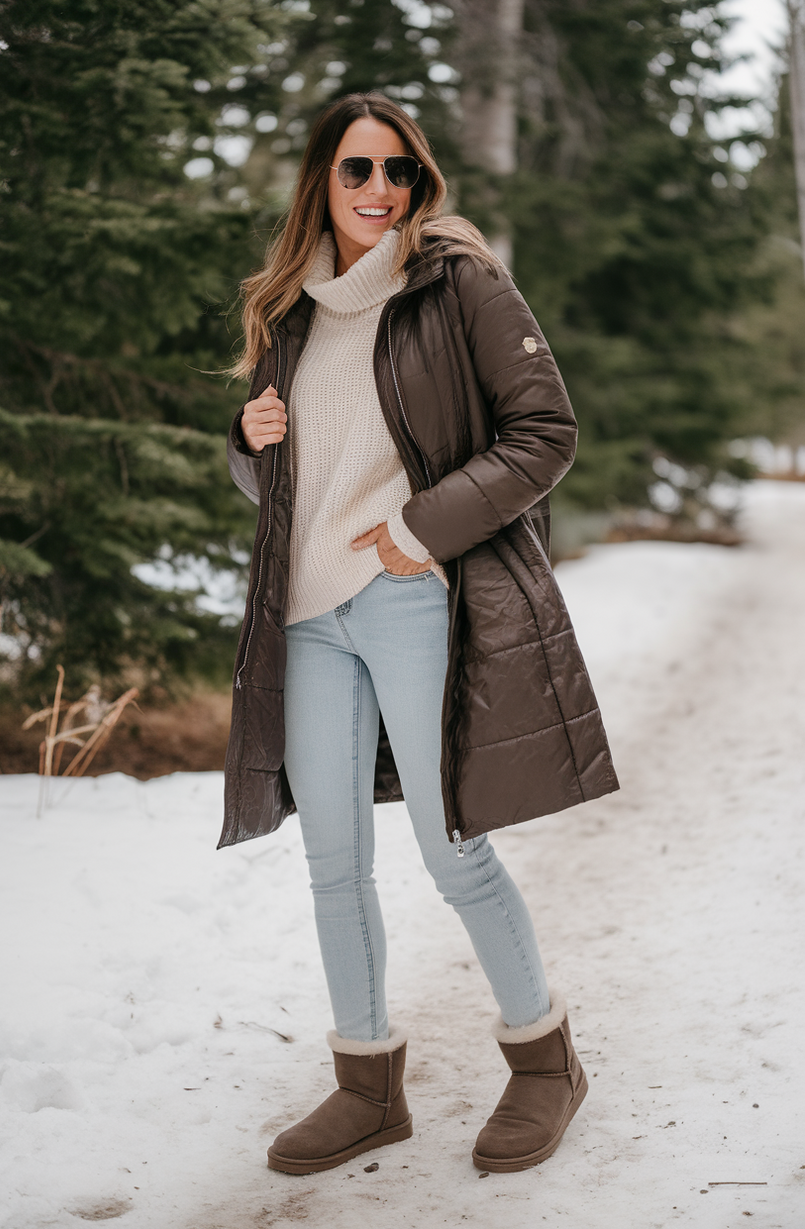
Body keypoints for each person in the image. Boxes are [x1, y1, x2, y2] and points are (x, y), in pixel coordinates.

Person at [221, 91, 619, 1176]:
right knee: (333, 862)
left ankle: (543, 1062)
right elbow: (278, 474)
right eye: (355, 170)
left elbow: (544, 432)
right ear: (322, 182)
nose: (377, 191)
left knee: (452, 849)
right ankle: (366, 1087)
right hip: (308, 614)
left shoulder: (456, 284)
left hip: (407, 595)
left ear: (418, 178)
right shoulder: (288, 309)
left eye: (396, 170)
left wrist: (413, 529)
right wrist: (250, 440)